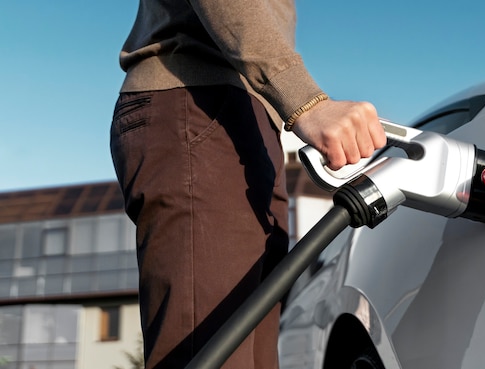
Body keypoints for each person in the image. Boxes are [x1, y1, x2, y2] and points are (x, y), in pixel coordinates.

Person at [109, 0, 387, 368]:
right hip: (199, 103)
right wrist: (307, 101)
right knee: (213, 351)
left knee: (247, 356)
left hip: (245, 119)